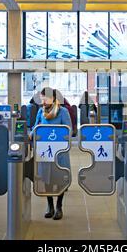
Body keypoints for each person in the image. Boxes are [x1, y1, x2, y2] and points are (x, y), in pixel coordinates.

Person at [32, 87, 72, 220]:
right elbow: (35, 126)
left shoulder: (63, 111)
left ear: (54, 98)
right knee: (47, 179)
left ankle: (59, 206)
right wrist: (31, 134)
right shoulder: (40, 111)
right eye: (42, 97)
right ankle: (50, 206)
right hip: (45, 150)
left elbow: (69, 130)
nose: (43, 100)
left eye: (46, 97)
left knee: (60, 178)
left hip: (59, 151)